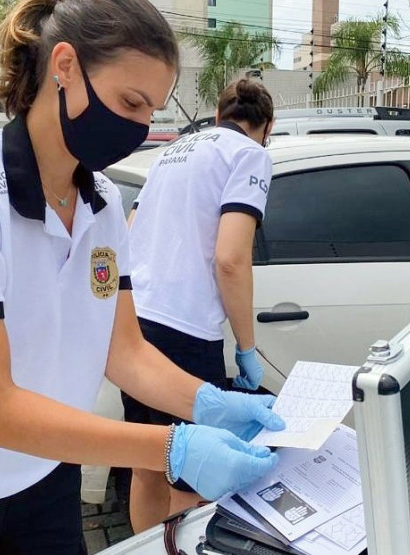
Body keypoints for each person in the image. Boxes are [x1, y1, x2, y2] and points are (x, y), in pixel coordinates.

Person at [0, 1, 284, 553]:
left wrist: (211, 403)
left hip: (45, 474)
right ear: (65, 67)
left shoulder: (102, 204)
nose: (140, 126)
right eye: (130, 102)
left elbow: (124, 351)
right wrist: (173, 447)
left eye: (151, 110)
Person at [124, 78, 276, 532]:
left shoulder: (171, 152)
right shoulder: (250, 155)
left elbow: (129, 228)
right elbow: (231, 259)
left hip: (134, 320)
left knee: (146, 461)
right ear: (267, 127)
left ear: (218, 116)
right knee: (192, 482)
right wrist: (246, 348)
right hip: (185, 330)